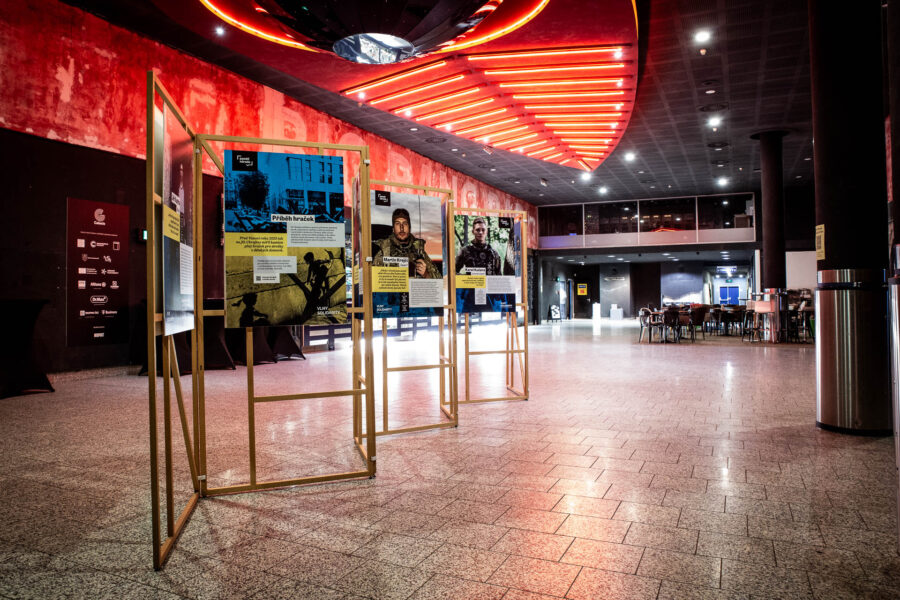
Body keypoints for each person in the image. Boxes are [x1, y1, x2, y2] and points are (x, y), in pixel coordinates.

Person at [373, 208, 440, 278]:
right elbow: (375, 279)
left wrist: (425, 274)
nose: (401, 228)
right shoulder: (383, 249)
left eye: (405, 223)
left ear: (409, 228)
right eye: (397, 224)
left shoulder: (418, 251)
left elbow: (438, 280)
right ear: (393, 229)